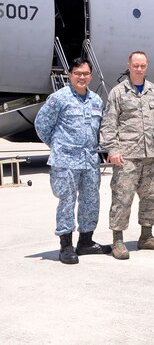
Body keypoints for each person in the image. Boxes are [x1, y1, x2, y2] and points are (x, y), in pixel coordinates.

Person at [35, 57, 110, 264]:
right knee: (66, 202)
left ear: (91, 76)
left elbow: (99, 128)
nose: (82, 77)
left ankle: (86, 242)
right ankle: (66, 246)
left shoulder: (96, 100)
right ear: (70, 75)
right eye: (77, 73)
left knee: (91, 200)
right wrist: (58, 145)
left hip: (90, 161)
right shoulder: (58, 98)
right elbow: (41, 125)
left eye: (85, 73)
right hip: (65, 161)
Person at [100, 51, 154, 260]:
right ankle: (118, 240)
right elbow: (109, 123)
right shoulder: (118, 92)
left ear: (147, 66)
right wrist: (113, 150)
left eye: (143, 65)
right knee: (122, 198)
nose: (139, 69)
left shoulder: (153, 91)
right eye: (136, 65)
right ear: (128, 65)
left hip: (151, 155)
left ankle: (146, 236)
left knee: (151, 197)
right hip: (127, 156)